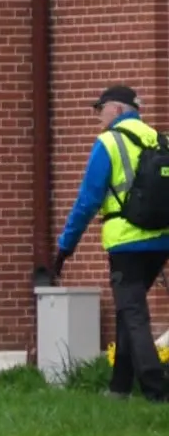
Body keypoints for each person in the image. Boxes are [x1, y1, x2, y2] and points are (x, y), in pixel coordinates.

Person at [53, 85, 169, 402]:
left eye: (100, 109)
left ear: (117, 109)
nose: (98, 116)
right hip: (161, 241)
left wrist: (65, 247)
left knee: (133, 313)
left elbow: (87, 201)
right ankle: (119, 386)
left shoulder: (108, 143)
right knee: (127, 311)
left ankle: (156, 389)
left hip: (126, 243)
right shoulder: (159, 139)